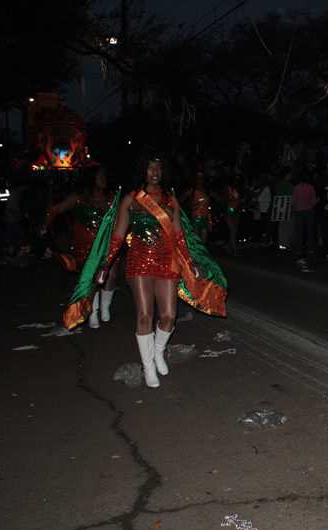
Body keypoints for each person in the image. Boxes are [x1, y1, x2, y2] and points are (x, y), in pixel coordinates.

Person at [64, 157, 227, 388]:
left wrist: (191, 263)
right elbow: (118, 236)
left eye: (159, 167)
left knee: (169, 317)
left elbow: (180, 235)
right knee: (144, 315)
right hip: (139, 260)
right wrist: (105, 265)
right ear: (143, 171)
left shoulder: (171, 201)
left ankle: (158, 351)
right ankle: (148, 366)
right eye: (150, 167)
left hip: (167, 261)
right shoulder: (131, 199)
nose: (155, 171)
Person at [41, 166, 120, 328]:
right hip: (86, 242)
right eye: (99, 176)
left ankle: (105, 307)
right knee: (92, 277)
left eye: (104, 176)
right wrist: (45, 222)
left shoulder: (112, 197)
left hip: (108, 242)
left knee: (111, 275)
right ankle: (92, 311)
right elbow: (57, 208)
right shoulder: (79, 196)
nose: (103, 179)